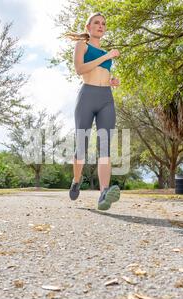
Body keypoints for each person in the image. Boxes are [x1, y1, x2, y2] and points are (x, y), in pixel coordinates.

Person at [65, 12, 121, 211]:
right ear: (88, 27)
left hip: (106, 98)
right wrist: (107, 56)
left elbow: (102, 73)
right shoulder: (83, 45)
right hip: (87, 96)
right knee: (82, 145)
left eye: (104, 23)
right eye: (96, 22)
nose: (101, 25)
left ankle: (104, 193)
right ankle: (76, 179)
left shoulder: (106, 52)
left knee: (105, 146)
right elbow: (80, 69)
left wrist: (111, 81)